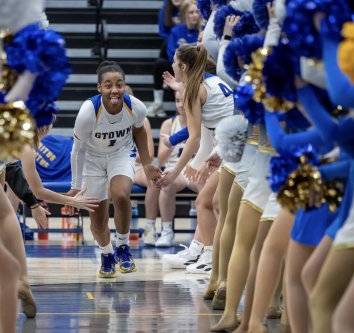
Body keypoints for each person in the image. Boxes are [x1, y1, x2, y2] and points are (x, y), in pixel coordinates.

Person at [68, 60, 160, 278]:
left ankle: (123, 247)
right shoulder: (88, 112)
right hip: (92, 158)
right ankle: (106, 254)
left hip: (121, 153)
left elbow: (140, 132)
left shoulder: (136, 106)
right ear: (99, 88)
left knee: (120, 194)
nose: (114, 90)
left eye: (119, 84)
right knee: (98, 218)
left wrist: (147, 164)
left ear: (125, 86)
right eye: (108, 85)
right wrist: (74, 187)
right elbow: (77, 150)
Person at [157, 43, 234, 274]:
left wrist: (176, 171)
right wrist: (199, 161)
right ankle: (197, 250)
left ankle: (210, 257)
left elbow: (194, 137)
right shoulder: (212, 81)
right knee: (206, 200)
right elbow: (209, 132)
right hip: (229, 148)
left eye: (174, 61)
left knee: (205, 202)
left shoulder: (194, 91)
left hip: (233, 152)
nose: (171, 64)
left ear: (183, 66)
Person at [145, 90, 201, 247]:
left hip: (195, 168)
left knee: (207, 187)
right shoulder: (169, 124)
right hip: (174, 169)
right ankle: (167, 231)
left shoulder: (200, 123)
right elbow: (161, 158)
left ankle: (204, 232)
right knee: (166, 184)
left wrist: (191, 145)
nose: (181, 105)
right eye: (177, 101)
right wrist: (173, 141)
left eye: (183, 100)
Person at [147, 0, 201, 117]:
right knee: (160, 63)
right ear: (184, 14)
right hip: (179, 67)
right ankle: (158, 103)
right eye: (191, 12)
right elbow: (171, 52)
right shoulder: (176, 31)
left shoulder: (203, 31)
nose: (195, 15)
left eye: (197, 12)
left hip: (197, 68)